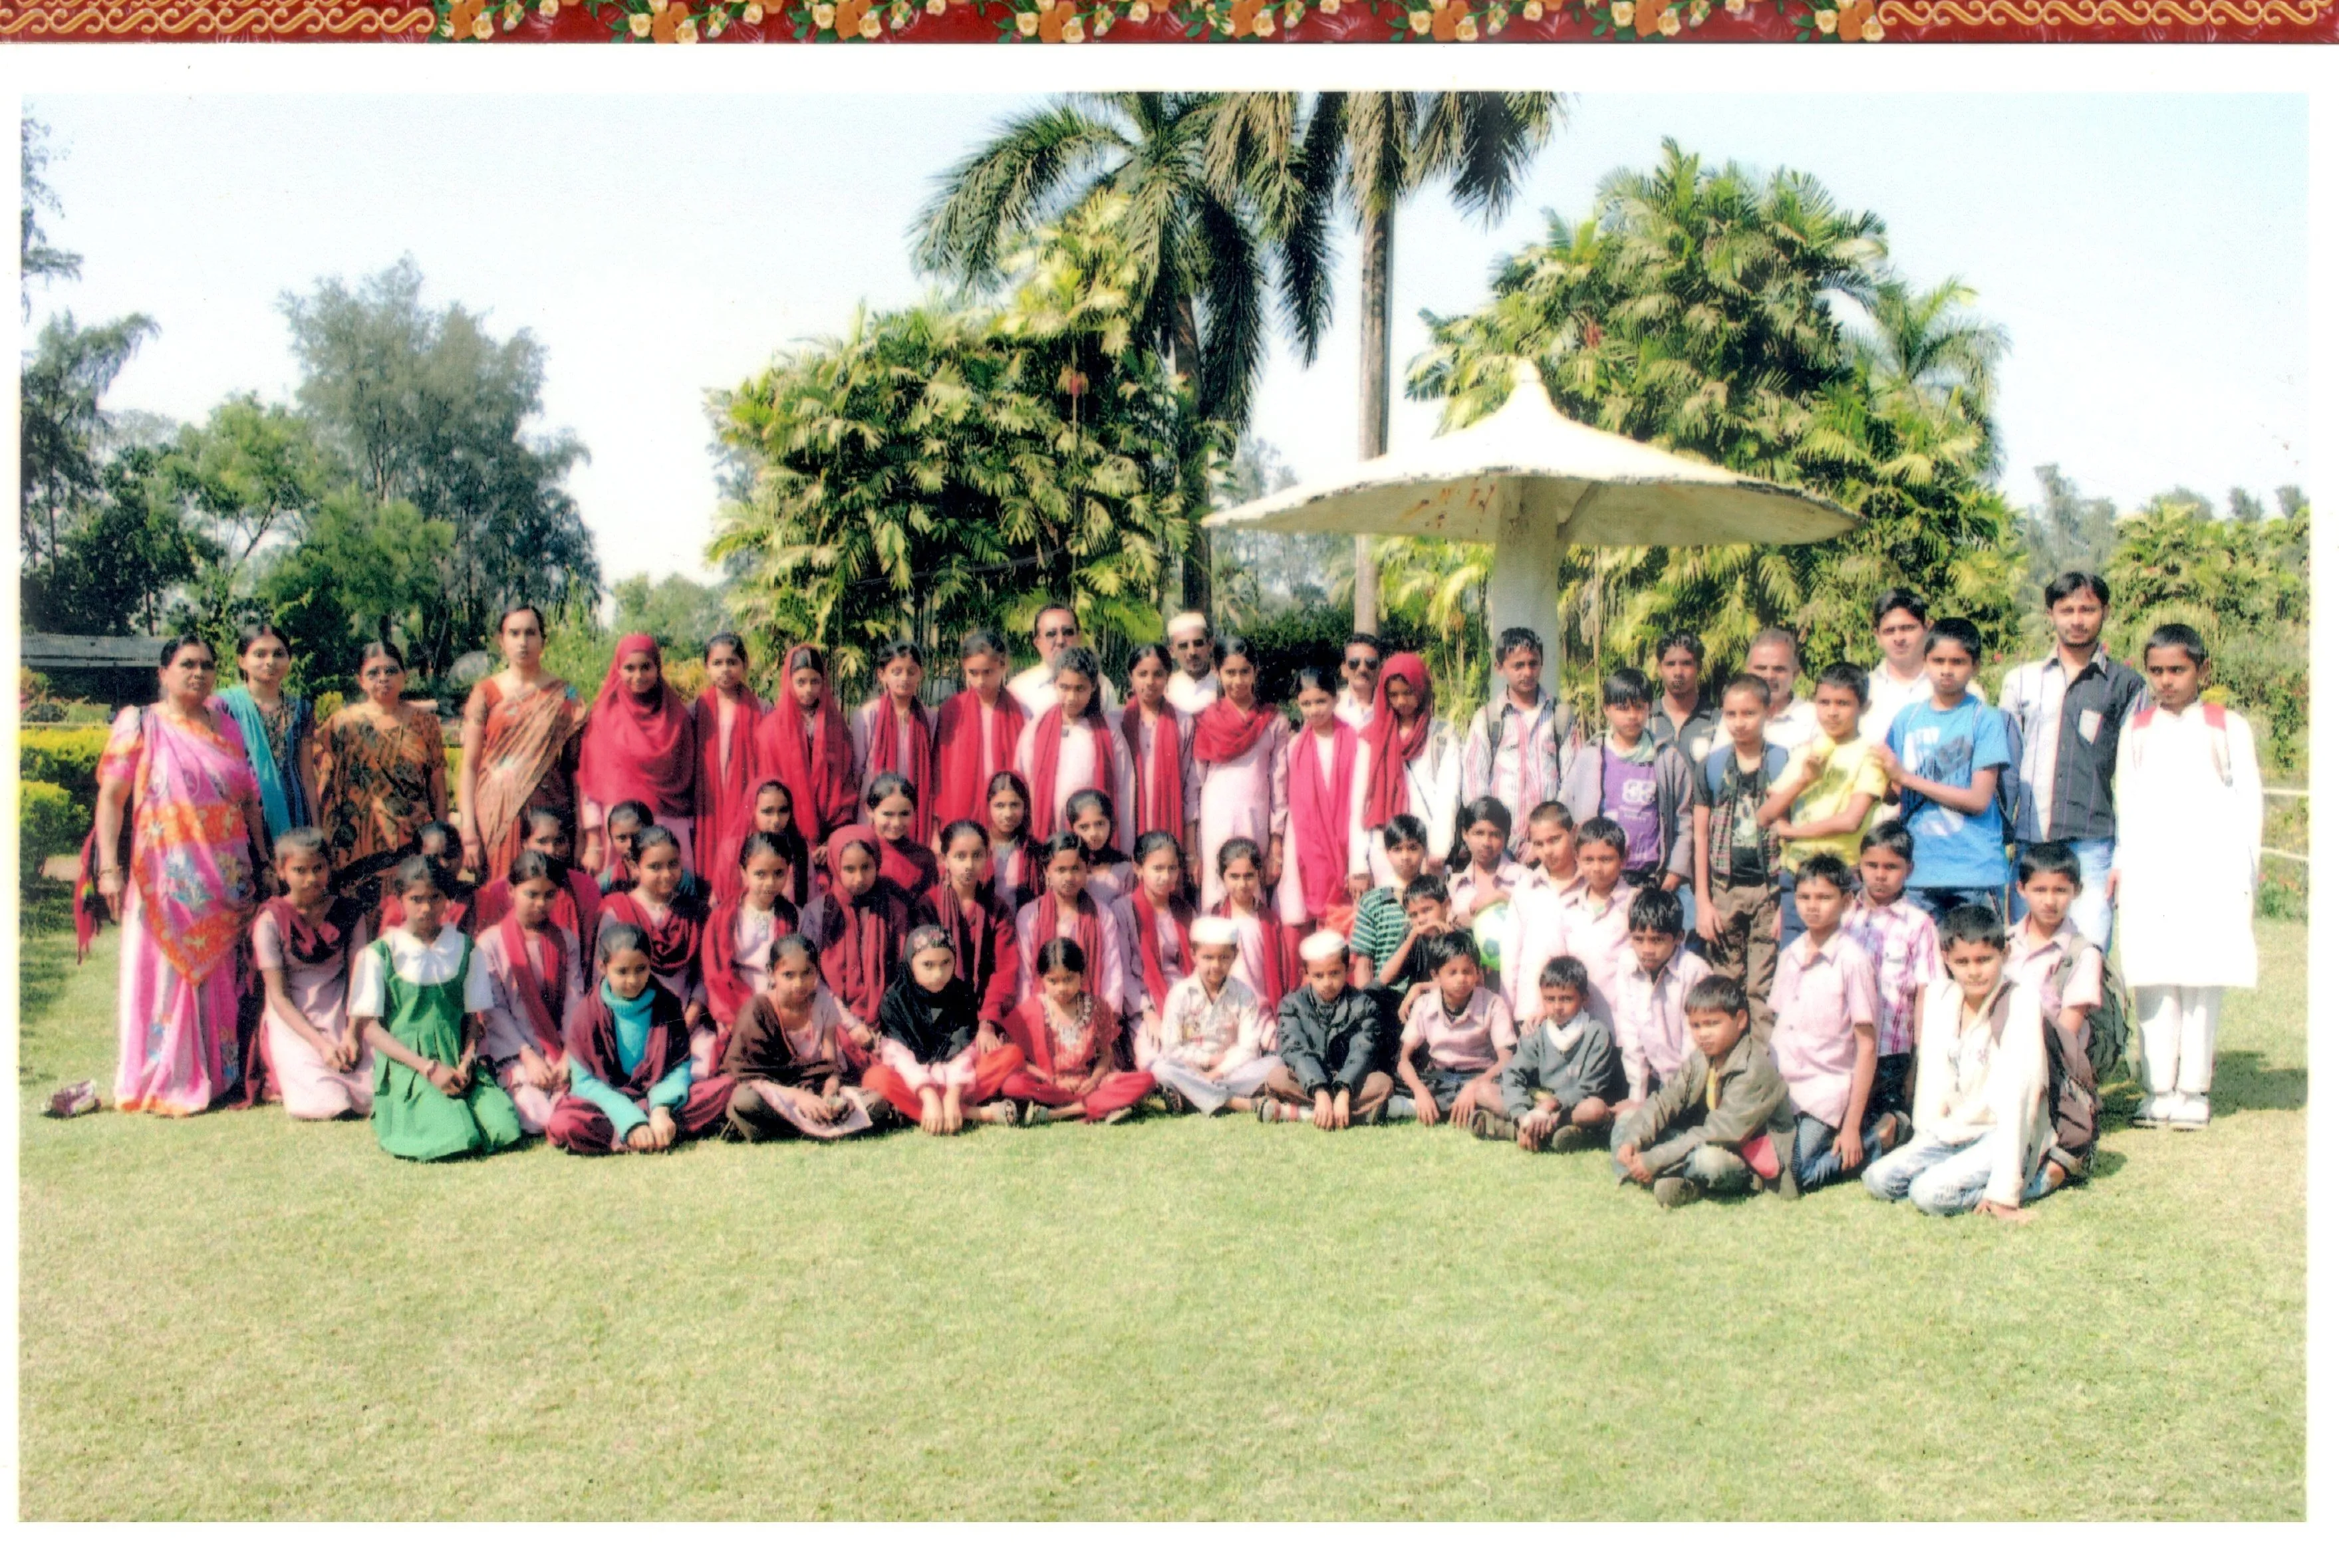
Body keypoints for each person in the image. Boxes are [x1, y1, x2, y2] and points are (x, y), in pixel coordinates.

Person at [84, 635, 272, 1116]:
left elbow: (248, 799)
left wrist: (263, 861)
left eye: (208, 665)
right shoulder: (141, 723)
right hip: (164, 879)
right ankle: (167, 1077)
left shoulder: (227, 725)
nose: (199, 673)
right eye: (187, 664)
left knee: (222, 978)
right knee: (168, 976)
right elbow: (112, 799)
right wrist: (109, 869)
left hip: (227, 878)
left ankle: (222, 1075)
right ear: (163, 672)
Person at [2116, 622, 2261, 1131]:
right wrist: (2121, 866)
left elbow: (2249, 804)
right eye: (2156, 671)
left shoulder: (2227, 726)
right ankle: (2158, 1089)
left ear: (2202, 670)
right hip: (2151, 873)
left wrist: (2246, 873)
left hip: (2211, 872)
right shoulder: (2136, 729)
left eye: (2177, 670)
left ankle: (2193, 1089)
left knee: (2201, 980)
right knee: (2153, 979)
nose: (2165, 680)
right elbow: (2126, 803)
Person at [1861, 903, 2056, 1221]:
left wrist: (2004, 1194)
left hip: (2005, 1131)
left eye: (1984, 960)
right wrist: (1925, 1141)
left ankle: (2041, 1179)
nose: (1974, 971)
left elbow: (2020, 1099)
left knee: (1929, 1195)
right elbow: (1932, 1081)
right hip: (1958, 1129)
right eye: (1962, 962)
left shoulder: (2020, 1001)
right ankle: (1956, 1170)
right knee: (1878, 1179)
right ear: (1946, 959)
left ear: (2004, 956)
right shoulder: (1941, 996)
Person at [1998, 571, 2148, 952]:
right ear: (2050, 614)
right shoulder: (2021, 682)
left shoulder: (2127, 685)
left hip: (2093, 845)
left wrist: (2125, 854)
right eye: (2067, 610)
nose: (2077, 620)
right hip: (2032, 840)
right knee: (2023, 956)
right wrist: (2001, 838)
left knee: (2089, 955)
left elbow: (2135, 774)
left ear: (2105, 612)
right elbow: (2008, 768)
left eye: (2087, 609)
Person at [351, 854, 523, 1161]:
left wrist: (467, 1060)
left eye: (435, 898)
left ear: (448, 900)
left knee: (505, 1126)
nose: (426, 908)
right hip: (409, 1065)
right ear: (399, 900)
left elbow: (472, 1018)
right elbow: (371, 1030)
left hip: (456, 1061)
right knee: (457, 1135)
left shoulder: (465, 948)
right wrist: (428, 1068)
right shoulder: (380, 954)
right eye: (416, 899)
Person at [1769, 854, 1904, 1193]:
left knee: (1795, 1174)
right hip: (1782, 1086)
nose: (1813, 907)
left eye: (1824, 898)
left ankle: (1879, 1138)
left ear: (1846, 902)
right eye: (1805, 897)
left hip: (1825, 1094)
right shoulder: (1790, 955)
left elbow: (1867, 1046)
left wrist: (1852, 1128)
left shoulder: (1853, 961)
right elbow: (1779, 1026)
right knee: (1764, 1160)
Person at [1609, 974, 1796, 1207]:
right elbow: (1667, 1100)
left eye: (1712, 1024)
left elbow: (1716, 1133)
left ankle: (1671, 1177)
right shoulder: (1702, 1057)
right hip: (1702, 1139)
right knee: (1628, 1120)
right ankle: (1641, 1172)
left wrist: (1656, 1158)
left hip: (1744, 1157)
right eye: (1696, 1026)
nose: (1703, 1034)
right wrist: (1633, 1140)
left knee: (1709, 1162)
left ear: (1740, 1020)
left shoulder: (1753, 1068)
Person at [547, 924, 733, 1154]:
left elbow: (681, 1065)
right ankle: (642, 1134)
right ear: (603, 967)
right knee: (565, 1121)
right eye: (622, 971)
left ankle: (655, 1129)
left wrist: (660, 1109)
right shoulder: (586, 1013)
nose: (633, 980)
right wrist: (630, 1120)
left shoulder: (668, 1004)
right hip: (610, 1106)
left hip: (658, 1098)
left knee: (725, 1088)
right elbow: (584, 1082)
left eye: (641, 969)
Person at [1879, 618, 2016, 923]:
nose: (1946, 669)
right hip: (1918, 870)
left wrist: (1907, 778)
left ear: (1975, 666)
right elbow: (1891, 795)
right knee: (1920, 967)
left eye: (1958, 662)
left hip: (1974, 871)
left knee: (1976, 964)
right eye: (1938, 660)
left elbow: (1979, 800)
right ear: (1925, 662)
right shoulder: (1907, 719)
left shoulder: (1985, 719)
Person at [1758, 663, 1886, 948]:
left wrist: (1793, 833)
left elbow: (1851, 820)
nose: (1832, 712)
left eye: (1843, 703)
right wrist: (1803, 779)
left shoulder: (1870, 755)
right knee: (1795, 964)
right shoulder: (1806, 751)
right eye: (1824, 702)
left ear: (1863, 707)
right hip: (1797, 877)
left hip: (1840, 877)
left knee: (1841, 964)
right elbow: (1766, 815)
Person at [458, 605, 587, 884]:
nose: (523, 642)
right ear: (500, 640)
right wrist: (468, 829)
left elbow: (578, 768)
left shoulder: (566, 692)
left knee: (546, 893)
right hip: (496, 814)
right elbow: (469, 767)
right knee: (501, 893)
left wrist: (583, 832)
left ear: (543, 640)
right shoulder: (485, 693)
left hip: (550, 813)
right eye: (514, 633)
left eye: (531, 633)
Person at [249, 827, 372, 1120]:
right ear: (281, 872)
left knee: (375, 1093)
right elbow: (278, 997)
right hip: (293, 1019)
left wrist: (352, 1033)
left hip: (340, 1008)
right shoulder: (269, 921)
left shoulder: (350, 913)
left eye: (318, 868)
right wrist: (321, 1044)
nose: (310, 879)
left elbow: (360, 980)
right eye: (299, 870)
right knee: (328, 1103)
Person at [318, 640, 447, 894]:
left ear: (404, 676)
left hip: (413, 841)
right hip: (357, 847)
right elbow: (325, 782)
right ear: (360, 680)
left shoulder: (425, 723)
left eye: (391, 671)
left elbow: (438, 787)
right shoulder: (343, 724)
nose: (383, 678)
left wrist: (442, 837)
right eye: (373, 673)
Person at [720, 934, 878, 1142]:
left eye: (807, 973)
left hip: (814, 1088)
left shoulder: (824, 1002)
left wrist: (829, 1094)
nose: (799, 983)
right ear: (771, 973)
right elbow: (748, 1075)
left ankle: (798, 1126)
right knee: (745, 1100)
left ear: (817, 972)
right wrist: (798, 1098)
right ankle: (819, 1127)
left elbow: (829, 1066)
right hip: (776, 1093)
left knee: (876, 1101)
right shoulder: (758, 1008)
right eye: (788, 975)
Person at [867, 926, 1026, 1132]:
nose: (938, 974)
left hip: (959, 1081)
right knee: (875, 1077)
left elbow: (966, 1050)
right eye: (928, 965)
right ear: (910, 963)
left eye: (946, 963)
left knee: (1011, 1055)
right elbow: (898, 1057)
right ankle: (975, 1113)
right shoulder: (895, 1000)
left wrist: (953, 1095)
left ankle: (933, 1111)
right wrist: (929, 1094)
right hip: (914, 1083)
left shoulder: (962, 993)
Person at [475, 847, 587, 1136]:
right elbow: (493, 1009)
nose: (541, 904)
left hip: (560, 1046)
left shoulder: (566, 940)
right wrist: (528, 1057)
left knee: (575, 1096)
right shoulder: (490, 943)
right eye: (532, 894)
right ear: (511, 891)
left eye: (549, 895)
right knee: (536, 1117)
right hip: (514, 1050)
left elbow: (575, 1001)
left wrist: (567, 1056)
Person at [1692, 674, 1788, 1008]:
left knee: (1763, 989)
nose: (1739, 722)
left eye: (1749, 713)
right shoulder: (1712, 766)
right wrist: (1703, 902)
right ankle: (1728, 1058)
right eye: (1731, 714)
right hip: (1724, 889)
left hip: (1769, 889)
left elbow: (1794, 834)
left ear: (1769, 712)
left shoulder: (1784, 763)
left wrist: (1785, 902)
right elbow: (1700, 835)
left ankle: (1761, 1059)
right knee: (1725, 983)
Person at [1558, 668, 1694, 893]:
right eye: (1623, 708)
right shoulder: (1591, 756)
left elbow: (1684, 821)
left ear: (1650, 708)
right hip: (1599, 879)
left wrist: (1673, 876)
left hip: (1651, 880)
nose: (1632, 715)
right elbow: (1567, 811)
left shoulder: (1667, 758)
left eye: (1639, 707)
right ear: (1607, 709)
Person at [595, 825, 714, 1072]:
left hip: (686, 1023)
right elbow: (604, 979)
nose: (666, 874)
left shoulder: (696, 913)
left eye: (673, 864)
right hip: (632, 1022)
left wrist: (686, 1023)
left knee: (701, 1074)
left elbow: (704, 979)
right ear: (635, 868)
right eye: (655, 867)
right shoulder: (616, 911)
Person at [577, 633, 697, 877]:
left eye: (646, 667)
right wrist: (594, 841)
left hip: (668, 826)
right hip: (619, 833)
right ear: (618, 669)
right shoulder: (603, 718)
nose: (638, 676)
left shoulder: (678, 718)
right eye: (629, 668)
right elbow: (590, 786)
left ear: (658, 668)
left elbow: (689, 781)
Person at [1844, 822, 1942, 1118]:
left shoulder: (1919, 924)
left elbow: (1927, 993)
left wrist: (1918, 1057)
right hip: (1845, 1046)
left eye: (1891, 867)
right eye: (1871, 865)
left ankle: (1893, 1132)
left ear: (1909, 870)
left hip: (1892, 1051)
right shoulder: (1844, 919)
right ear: (1858, 866)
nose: (1880, 874)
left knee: (1880, 1120)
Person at [1001, 938, 1155, 1125]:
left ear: (1081, 975)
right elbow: (1016, 1060)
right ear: (1041, 979)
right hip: (1050, 1086)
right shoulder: (1030, 1011)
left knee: (1146, 1080)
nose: (1062, 988)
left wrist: (1094, 1080)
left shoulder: (1097, 1007)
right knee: (1013, 1085)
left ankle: (1058, 1114)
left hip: (1088, 1085)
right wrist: (1053, 1081)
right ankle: (1101, 1108)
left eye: (1069, 979)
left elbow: (1106, 1055)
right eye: (1053, 981)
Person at [1460, 626, 1583, 857]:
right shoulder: (1488, 719)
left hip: (1551, 850)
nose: (1527, 672)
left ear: (1541, 664)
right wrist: (1508, 841)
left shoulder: (1560, 716)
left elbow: (1574, 785)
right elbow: (1475, 789)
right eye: (1518, 665)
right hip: (1500, 850)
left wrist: (1550, 841)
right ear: (1499, 668)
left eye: (1533, 663)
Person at [1477, 956, 1619, 1152]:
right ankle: (1530, 1129)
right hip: (1536, 1103)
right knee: (1484, 1090)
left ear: (1584, 998)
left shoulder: (1597, 1034)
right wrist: (1522, 1115)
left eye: (1566, 999)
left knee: (1595, 1110)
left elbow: (1589, 1088)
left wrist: (1550, 1107)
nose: (1557, 1007)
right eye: (1550, 999)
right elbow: (1513, 1074)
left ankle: (1517, 1130)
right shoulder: (1537, 1032)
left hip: (1570, 1107)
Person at [1192, 635, 1290, 911]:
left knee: (1252, 894)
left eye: (1245, 671)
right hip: (1215, 822)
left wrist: (1276, 845)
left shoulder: (1273, 721)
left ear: (1256, 671)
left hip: (1255, 820)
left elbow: (1279, 788)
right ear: (1217, 671)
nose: (1238, 681)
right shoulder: (1205, 721)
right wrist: (1192, 852)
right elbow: (1193, 787)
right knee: (1215, 896)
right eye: (1230, 673)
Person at [1144, 916, 1278, 1116]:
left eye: (1224, 957)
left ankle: (1195, 1097)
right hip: (1192, 1070)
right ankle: (1236, 1103)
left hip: (1231, 1072)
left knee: (1274, 1064)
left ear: (1235, 955)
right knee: (1160, 1068)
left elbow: (1248, 1049)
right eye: (1208, 957)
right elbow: (1172, 1048)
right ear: (1193, 955)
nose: (1216, 966)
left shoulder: (1244, 994)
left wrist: (1217, 1073)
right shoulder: (1180, 994)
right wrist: (1208, 1060)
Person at [1258, 930, 1393, 1128]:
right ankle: (1350, 1114)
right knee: (1277, 1077)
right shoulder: (1292, 1005)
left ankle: (1301, 1113)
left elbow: (1362, 1051)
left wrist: (1344, 1092)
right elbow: (1294, 1050)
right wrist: (1320, 1092)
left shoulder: (1364, 1005)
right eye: (1319, 976)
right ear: (1305, 975)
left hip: (1350, 1081)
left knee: (1382, 1083)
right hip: (1308, 1081)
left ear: (1349, 969)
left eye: (1335, 973)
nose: (1327, 983)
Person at [1353, 651, 1462, 880]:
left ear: (1421, 688)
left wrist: (1439, 849)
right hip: (1385, 850)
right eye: (1394, 695)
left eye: (1408, 692)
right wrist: (1358, 863)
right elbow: (1360, 800)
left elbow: (1448, 794)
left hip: (1427, 849)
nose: (1401, 701)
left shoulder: (1442, 735)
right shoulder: (1372, 738)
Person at [1016, 644, 1137, 848]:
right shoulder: (1037, 728)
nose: (1072, 697)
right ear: (1055, 684)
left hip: (1095, 835)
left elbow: (1125, 789)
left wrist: (1124, 848)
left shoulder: (1108, 732)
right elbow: (1022, 782)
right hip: (1048, 834)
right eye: (1065, 687)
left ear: (1093, 687)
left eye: (1080, 689)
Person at [1393, 930, 1516, 1128]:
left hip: (1480, 1077)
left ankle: (1525, 1120)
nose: (1461, 979)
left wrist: (1474, 1086)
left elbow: (1506, 1059)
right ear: (1436, 975)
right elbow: (1403, 1059)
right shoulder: (1424, 1004)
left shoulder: (1493, 1003)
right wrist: (1420, 1092)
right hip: (1439, 1080)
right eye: (1453, 972)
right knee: (1393, 1084)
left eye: (1467, 971)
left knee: (1493, 1093)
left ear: (1477, 972)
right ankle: (1477, 1116)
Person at [1280, 666, 1369, 930]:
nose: (1314, 709)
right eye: (1306, 703)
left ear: (1335, 699)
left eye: (1321, 701)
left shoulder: (1356, 742)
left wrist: (1357, 864)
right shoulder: (1295, 747)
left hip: (1346, 845)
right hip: (1308, 847)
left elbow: (1359, 805)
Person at [798, 825, 914, 1026]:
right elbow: (814, 979)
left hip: (888, 1016)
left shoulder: (894, 909)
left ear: (877, 863)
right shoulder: (817, 912)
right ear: (834, 866)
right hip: (832, 1015)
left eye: (866, 867)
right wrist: (850, 1025)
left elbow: (902, 971)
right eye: (849, 869)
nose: (859, 878)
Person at [219, 623, 319, 849]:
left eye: (278, 654)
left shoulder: (302, 709)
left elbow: (307, 776)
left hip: (295, 813)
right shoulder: (224, 706)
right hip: (243, 814)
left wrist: (316, 827)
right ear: (241, 661)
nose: (270, 661)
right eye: (260, 654)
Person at [701, 831, 804, 1044]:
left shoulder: (794, 916)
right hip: (734, 998)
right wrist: (730, 1019)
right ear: (743, 872)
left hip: (780, 997)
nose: (770, 883)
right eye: (760, 874)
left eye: (778, 873)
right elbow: (715, 973)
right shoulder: (723, 916)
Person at [756, 644, 859, 858]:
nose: (808, 690)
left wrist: (833, 840)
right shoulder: (771, 728)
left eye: (815, 682)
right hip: (786, 832)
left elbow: (845, 782)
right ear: (789, 682)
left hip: (831, 834)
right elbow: (769, 786)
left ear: (824, 683)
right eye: (801, 682)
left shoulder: (836, 724)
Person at [1613, 886, 1714, 1105]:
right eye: (1639, 939)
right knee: (1628, 1126)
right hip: (1655, 1081)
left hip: (1695, 1085)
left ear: (1679, 937)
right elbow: (1630, 1034)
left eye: (1657, 940)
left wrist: (1676, 1100)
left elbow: (1693, 1043)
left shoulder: (1695, 971)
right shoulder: (1627, 964)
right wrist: (1637, 1097)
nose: (1647, 949)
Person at [1014, 833, 1133, 1016]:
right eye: (1061, 870)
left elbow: (1112, 971)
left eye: (1076, 869)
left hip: (1089, 1013)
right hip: (1042, 1013)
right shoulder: (1030, 915)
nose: (1069, 877)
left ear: (1087, 869)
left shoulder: (1102, 915)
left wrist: (1105, 1019)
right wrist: (1030, 1020)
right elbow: (1025, 977)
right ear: (1046, 871)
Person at [928, 818, 1022, 1045]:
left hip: (983, 1019)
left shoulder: (997, 909)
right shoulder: (928, 905)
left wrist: (988, 1024)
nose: (969, 865)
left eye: (977, 856)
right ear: (944, 859)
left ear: (987, 857)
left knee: (1009, 1059)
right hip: (936, 1018)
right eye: (960, 856)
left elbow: (1003, 973)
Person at [693, 633, 768, 906]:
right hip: (710, 800)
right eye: (718, 663)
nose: (725, 670)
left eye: (732, 662)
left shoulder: (762, 708)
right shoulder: (696, 710)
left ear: (745, 665)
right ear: (707, 667)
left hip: (744, 799)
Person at [932, 628, 1026, 836]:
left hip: (1005, 811)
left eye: (988, 672)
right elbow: (940, 769)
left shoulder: (1021, 713)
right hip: (961, 809)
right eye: (973, 673)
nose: (981, 681)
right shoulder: (951, 710)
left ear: (1003, 665)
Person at [470, 805, 603, 946]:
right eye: (542, 841)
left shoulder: (584, 886)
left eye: (559, 841)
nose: (551, 850)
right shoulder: (500, 889)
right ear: (525, 844)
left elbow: (590, 947)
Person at [1500, 803, 1582, 1027]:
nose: (1547, 850)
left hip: (1583, 1016)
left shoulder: (1592, 886)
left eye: (1554, 839)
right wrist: (1507, 1017)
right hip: (1531, 1016)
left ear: (1573, 832)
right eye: (1539, 844)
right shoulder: (1526, 888)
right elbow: (1510, 957)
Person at [851, 639, 937, 845]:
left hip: (912, 808)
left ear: (921, 674)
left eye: (911, 671)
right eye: (896, 672)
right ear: (882, 675)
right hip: (875, 807)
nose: (904, 678)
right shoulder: (867, 715)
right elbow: (857, 769)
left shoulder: (929, 717)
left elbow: (932, 770)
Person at [1119, 642, 1200, 857]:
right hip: (1127, 823)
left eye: (1158, 674)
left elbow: (1189, 787)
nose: (1150, 682)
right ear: (1131, 676)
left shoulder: (1184, 722)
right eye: (1142, 674)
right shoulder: (1117, 722)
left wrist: (1191, 851)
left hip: (1169, 823)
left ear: (1168, 676)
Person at [1119, 830, 1193, 1058]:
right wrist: (1149, 1013)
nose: (1166, 876)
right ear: (1138, 868)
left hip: (1187, 1000)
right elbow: (1124, 974)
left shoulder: (1185, 911)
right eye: (1158, 869)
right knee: (1155, 1059)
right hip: (1144, 1003)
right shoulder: (1123, 910)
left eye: (1172, 868)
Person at [1557, 817, 1635, 1033]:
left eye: (1606, 859)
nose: (1597, 868)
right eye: (1589, 860)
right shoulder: (1568, 908)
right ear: (1577, 859)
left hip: (1622, 1026)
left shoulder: (1634, 906)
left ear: (1624, 858)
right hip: (1578, 1026)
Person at [1209, 835, 1294, 1012]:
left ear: (1259, 874)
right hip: (1223, 1010)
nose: (1242, 884)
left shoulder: (1269, 922)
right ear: (1222, 876)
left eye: (1249, 876)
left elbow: (1283, 973)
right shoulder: (1212, 920)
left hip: (1261, 1010)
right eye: (1234, 877)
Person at [1347, 815, 1431, 993]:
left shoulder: (1436, 896)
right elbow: (1364, 964)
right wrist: (1365, 1009)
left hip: (1428, 998)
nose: (1406, 857)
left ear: (1424, 850)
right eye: (1397, 849)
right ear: (1387, 853)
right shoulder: (1373, 902)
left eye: (1413, 848)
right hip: (1385, 999)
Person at [1010, 603, 1118, 719]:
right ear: (1037, 643)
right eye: (1051, 634)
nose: (1061, 641)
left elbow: (1112, 733)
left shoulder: (1102, 687)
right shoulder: (1019, 690)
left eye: (1068, 633)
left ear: (1079, 638)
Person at [1861, 588, 1933, 749]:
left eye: (1907, 628)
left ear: (1926, 629)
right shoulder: (1862, 690)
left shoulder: (1959, 689)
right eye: (1889, 631)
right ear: (1877, 636)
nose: (1899, 638)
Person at [374, 820, 472, 936]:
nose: (444, 864)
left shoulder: (476, 899)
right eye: (434, 857)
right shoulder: (398, 909)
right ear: (417, 857)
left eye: (450, 855)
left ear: (461, 854)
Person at [865, 771, 940, 904]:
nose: (897, 823)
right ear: (869, 810)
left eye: (904, 814)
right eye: (888, 814)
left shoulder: (924, 857)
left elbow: (930, 907)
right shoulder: (859, 850)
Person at [1649, 631, 1720, 768]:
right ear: (1659, 668)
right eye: (1670, 664)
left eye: (1686, 663)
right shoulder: (1645, 720)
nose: (1678, 673)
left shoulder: (1717, 721)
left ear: (1699, 667)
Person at [1447, 797, 1521, 925]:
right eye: (1479, 833)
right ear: (1465, 834)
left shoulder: (1522, 878)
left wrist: (1503, 897)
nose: (1486, 843)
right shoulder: (1455, 885)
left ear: (1506, 838)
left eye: (1495, 835)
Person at [1746, 628, 1820, 752]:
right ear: (1747, 672)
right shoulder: (1732, 717)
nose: (1769, 676)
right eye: (1761, 668)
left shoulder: (1815, 719)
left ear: (1795, 674)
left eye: (1779, 669)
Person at [984, 769, 1043, 909]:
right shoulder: (978, 847)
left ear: (1025, 806)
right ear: (988, 806)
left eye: (1015, 805)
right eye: (1000, 806)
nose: (1008, 814)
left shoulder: (1034, 851)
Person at [1067, 787, 1135, 903]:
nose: (1093, 834)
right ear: (1072, 828)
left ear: (1111, 823)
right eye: (1084, 827)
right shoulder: (1067, 869)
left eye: (1100, 824)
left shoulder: (1124, 869)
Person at [1163, 611, 1220, 716]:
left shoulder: (1224, 686)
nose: (1192, 652)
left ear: (1210, 645)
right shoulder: (1165, 690)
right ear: (1171, 651)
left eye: (1198, 644)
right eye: (1183, 646)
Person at [1334, 633, 1383, 729]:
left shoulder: (1390, 707)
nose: (1363, 669)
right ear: (1344, 670)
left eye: (1371, 663)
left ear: (1379, 670)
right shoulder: (1331, 707)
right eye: (1354, 663)